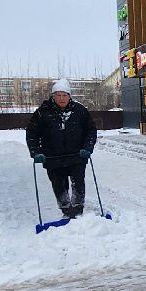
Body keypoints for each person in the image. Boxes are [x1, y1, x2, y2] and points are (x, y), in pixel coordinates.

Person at [26, 79, 97, 218]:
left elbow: (91, 131)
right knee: (59, 186)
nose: (61, 98)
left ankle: (77, 210)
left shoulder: (80, 110)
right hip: (53, 159)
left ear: (69, 96)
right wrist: (36, 152)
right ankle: (66, 210)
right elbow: (32, 134)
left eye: (64, 95)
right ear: (53, 96)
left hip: (77, 156)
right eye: (58, 95)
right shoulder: (42, 113)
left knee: (78, 184)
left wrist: (87, 148)